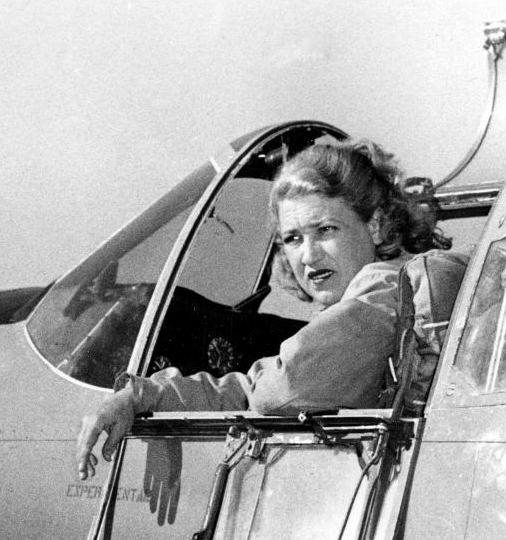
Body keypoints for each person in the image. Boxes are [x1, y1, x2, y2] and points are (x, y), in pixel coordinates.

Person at [75, 138, 468, 481]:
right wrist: (142, 395)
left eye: (326, 230)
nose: (309, 256)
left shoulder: (385, 289)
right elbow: (257, 390)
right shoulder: (379, 296)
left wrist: (146, 394)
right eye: (293, 239)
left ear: (378, 225)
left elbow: (276, 392)